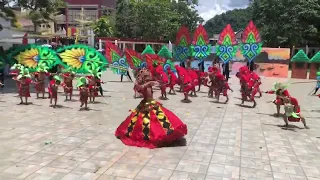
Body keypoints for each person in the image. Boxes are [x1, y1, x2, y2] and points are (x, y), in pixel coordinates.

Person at [115, 68, 188, 148]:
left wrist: (159, 81)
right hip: (146, 105)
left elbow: (157, 83)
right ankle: (153, 136)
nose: (149, 76)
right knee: (147, 122)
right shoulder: (142, 85)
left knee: (162, 119)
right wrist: (148, 83)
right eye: (146, 75)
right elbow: (139, 88)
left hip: (152, 103)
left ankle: (165, 133)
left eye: (148, 74)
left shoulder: (148, 83)